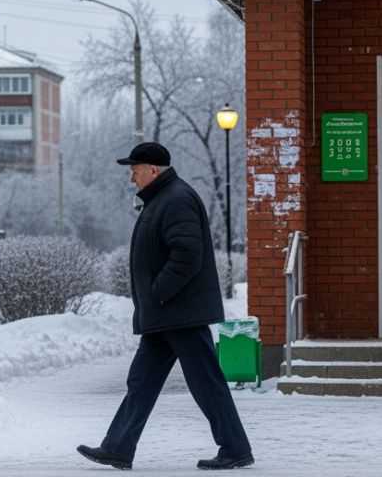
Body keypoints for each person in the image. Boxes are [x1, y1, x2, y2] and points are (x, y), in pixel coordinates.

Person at [77, 142, 254, 471]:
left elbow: (187, 255)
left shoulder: (175, 199)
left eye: (134, 170)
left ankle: (235, 448)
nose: (131, 178)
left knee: (205, 382)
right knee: (140, 382)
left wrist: (158, 293)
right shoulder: (162, 199)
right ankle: (117, 447)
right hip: (165, 314)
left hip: (178, 312)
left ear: (153, 170)